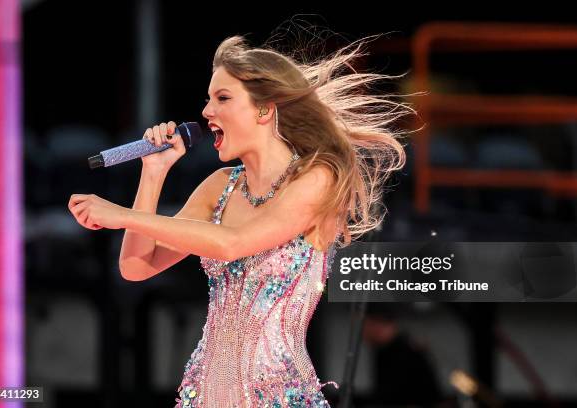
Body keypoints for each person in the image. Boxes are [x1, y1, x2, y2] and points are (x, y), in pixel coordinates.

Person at [68, 34, 411, 407]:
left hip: (279, 397)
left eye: (223, 98)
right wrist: (153, 173)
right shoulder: (219, 187)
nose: (206, 112)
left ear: (264, 110)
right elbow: (136, 266)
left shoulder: (316, 178)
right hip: (207, 394)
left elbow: (233, 243)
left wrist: (120, 215)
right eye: (208, 99)